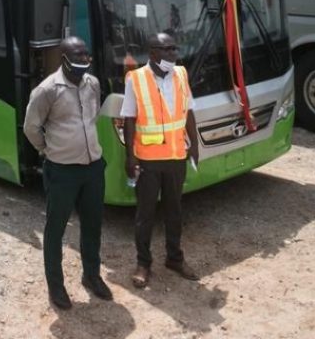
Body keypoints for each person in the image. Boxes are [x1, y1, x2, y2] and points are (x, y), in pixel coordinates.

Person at [23, 36, 112, 309]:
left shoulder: (93, 84)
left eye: (86, 55)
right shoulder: (47, 90)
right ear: (64, 59)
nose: (84, 60)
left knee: (93, 225)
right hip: (62, 170)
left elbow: (92, 118)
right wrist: (48, 151)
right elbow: (31, 128)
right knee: (55, 229)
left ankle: (92, 275)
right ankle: (56, 287)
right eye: (78, 55)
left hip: (93, 167)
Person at [121, 32, 200, 289]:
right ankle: (143, 263)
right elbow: (129, 118)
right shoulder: (136, 79)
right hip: (148, 159)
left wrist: (195, 144)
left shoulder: (181, 74)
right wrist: (129, 156)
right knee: (145, 214)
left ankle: (174, 258)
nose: (172, 54)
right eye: (166, 49)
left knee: (174, 210)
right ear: (152, 52)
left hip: (176, 156)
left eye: (174, 48)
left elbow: (187, 111)